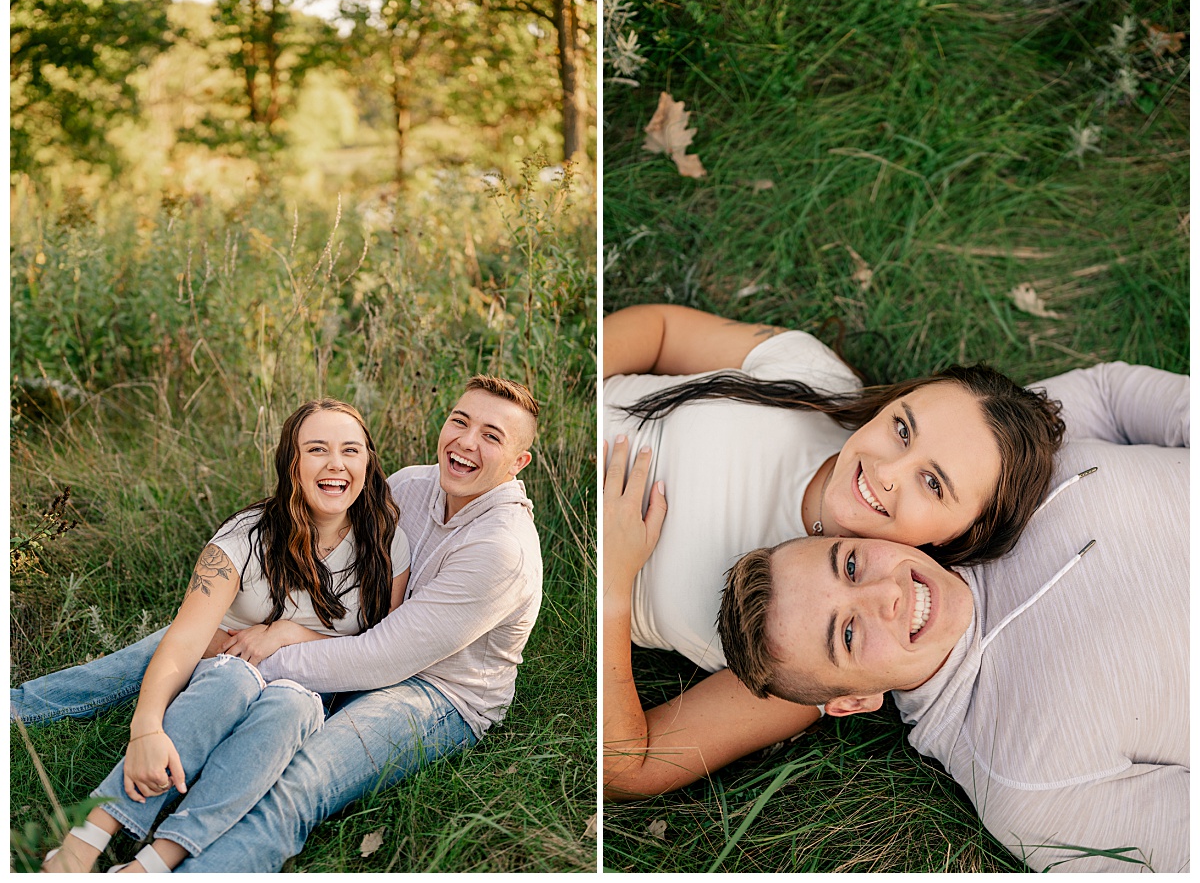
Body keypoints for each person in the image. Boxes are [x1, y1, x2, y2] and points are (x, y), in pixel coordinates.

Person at [14, 375, 544, 872]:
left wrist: (263, 646)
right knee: (193, 644)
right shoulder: (408, 486)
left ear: (518, 461)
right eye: (460, 421)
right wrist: (232, 648)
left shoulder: (501, 549)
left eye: (491, 436)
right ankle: (21, 712)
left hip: (438, 691)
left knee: (297, 780)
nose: (467, 441)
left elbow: (377, 655)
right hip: (361, 649)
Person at [708, 362, 1188, 872]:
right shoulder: (1027, 783)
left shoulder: (990, 484)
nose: (884, 595)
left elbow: (1105, 394)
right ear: (854, 701)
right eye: (848, 633)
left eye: (850, 565)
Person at [602, 304, 1065, 798]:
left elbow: (628, 767)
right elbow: (661, 331)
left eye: (931, 483)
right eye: (903, 429)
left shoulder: (811, 644)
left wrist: (612, 582)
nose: (886, 471)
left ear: (957, 536)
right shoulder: (814, 379)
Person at [39, 398, 410, 873]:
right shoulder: (245, 537)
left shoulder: (385, 541)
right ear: (291, 463)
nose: (336, 464)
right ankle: (81, 845)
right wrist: (146, 728)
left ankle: (149, 864)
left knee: (292, 702)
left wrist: (286, 632)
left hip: (309, 697)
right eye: (317, 449)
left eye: (351, 451)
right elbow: (183, 641)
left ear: (368, 462)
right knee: (234, 679)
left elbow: (381, 647)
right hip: (224, 674)